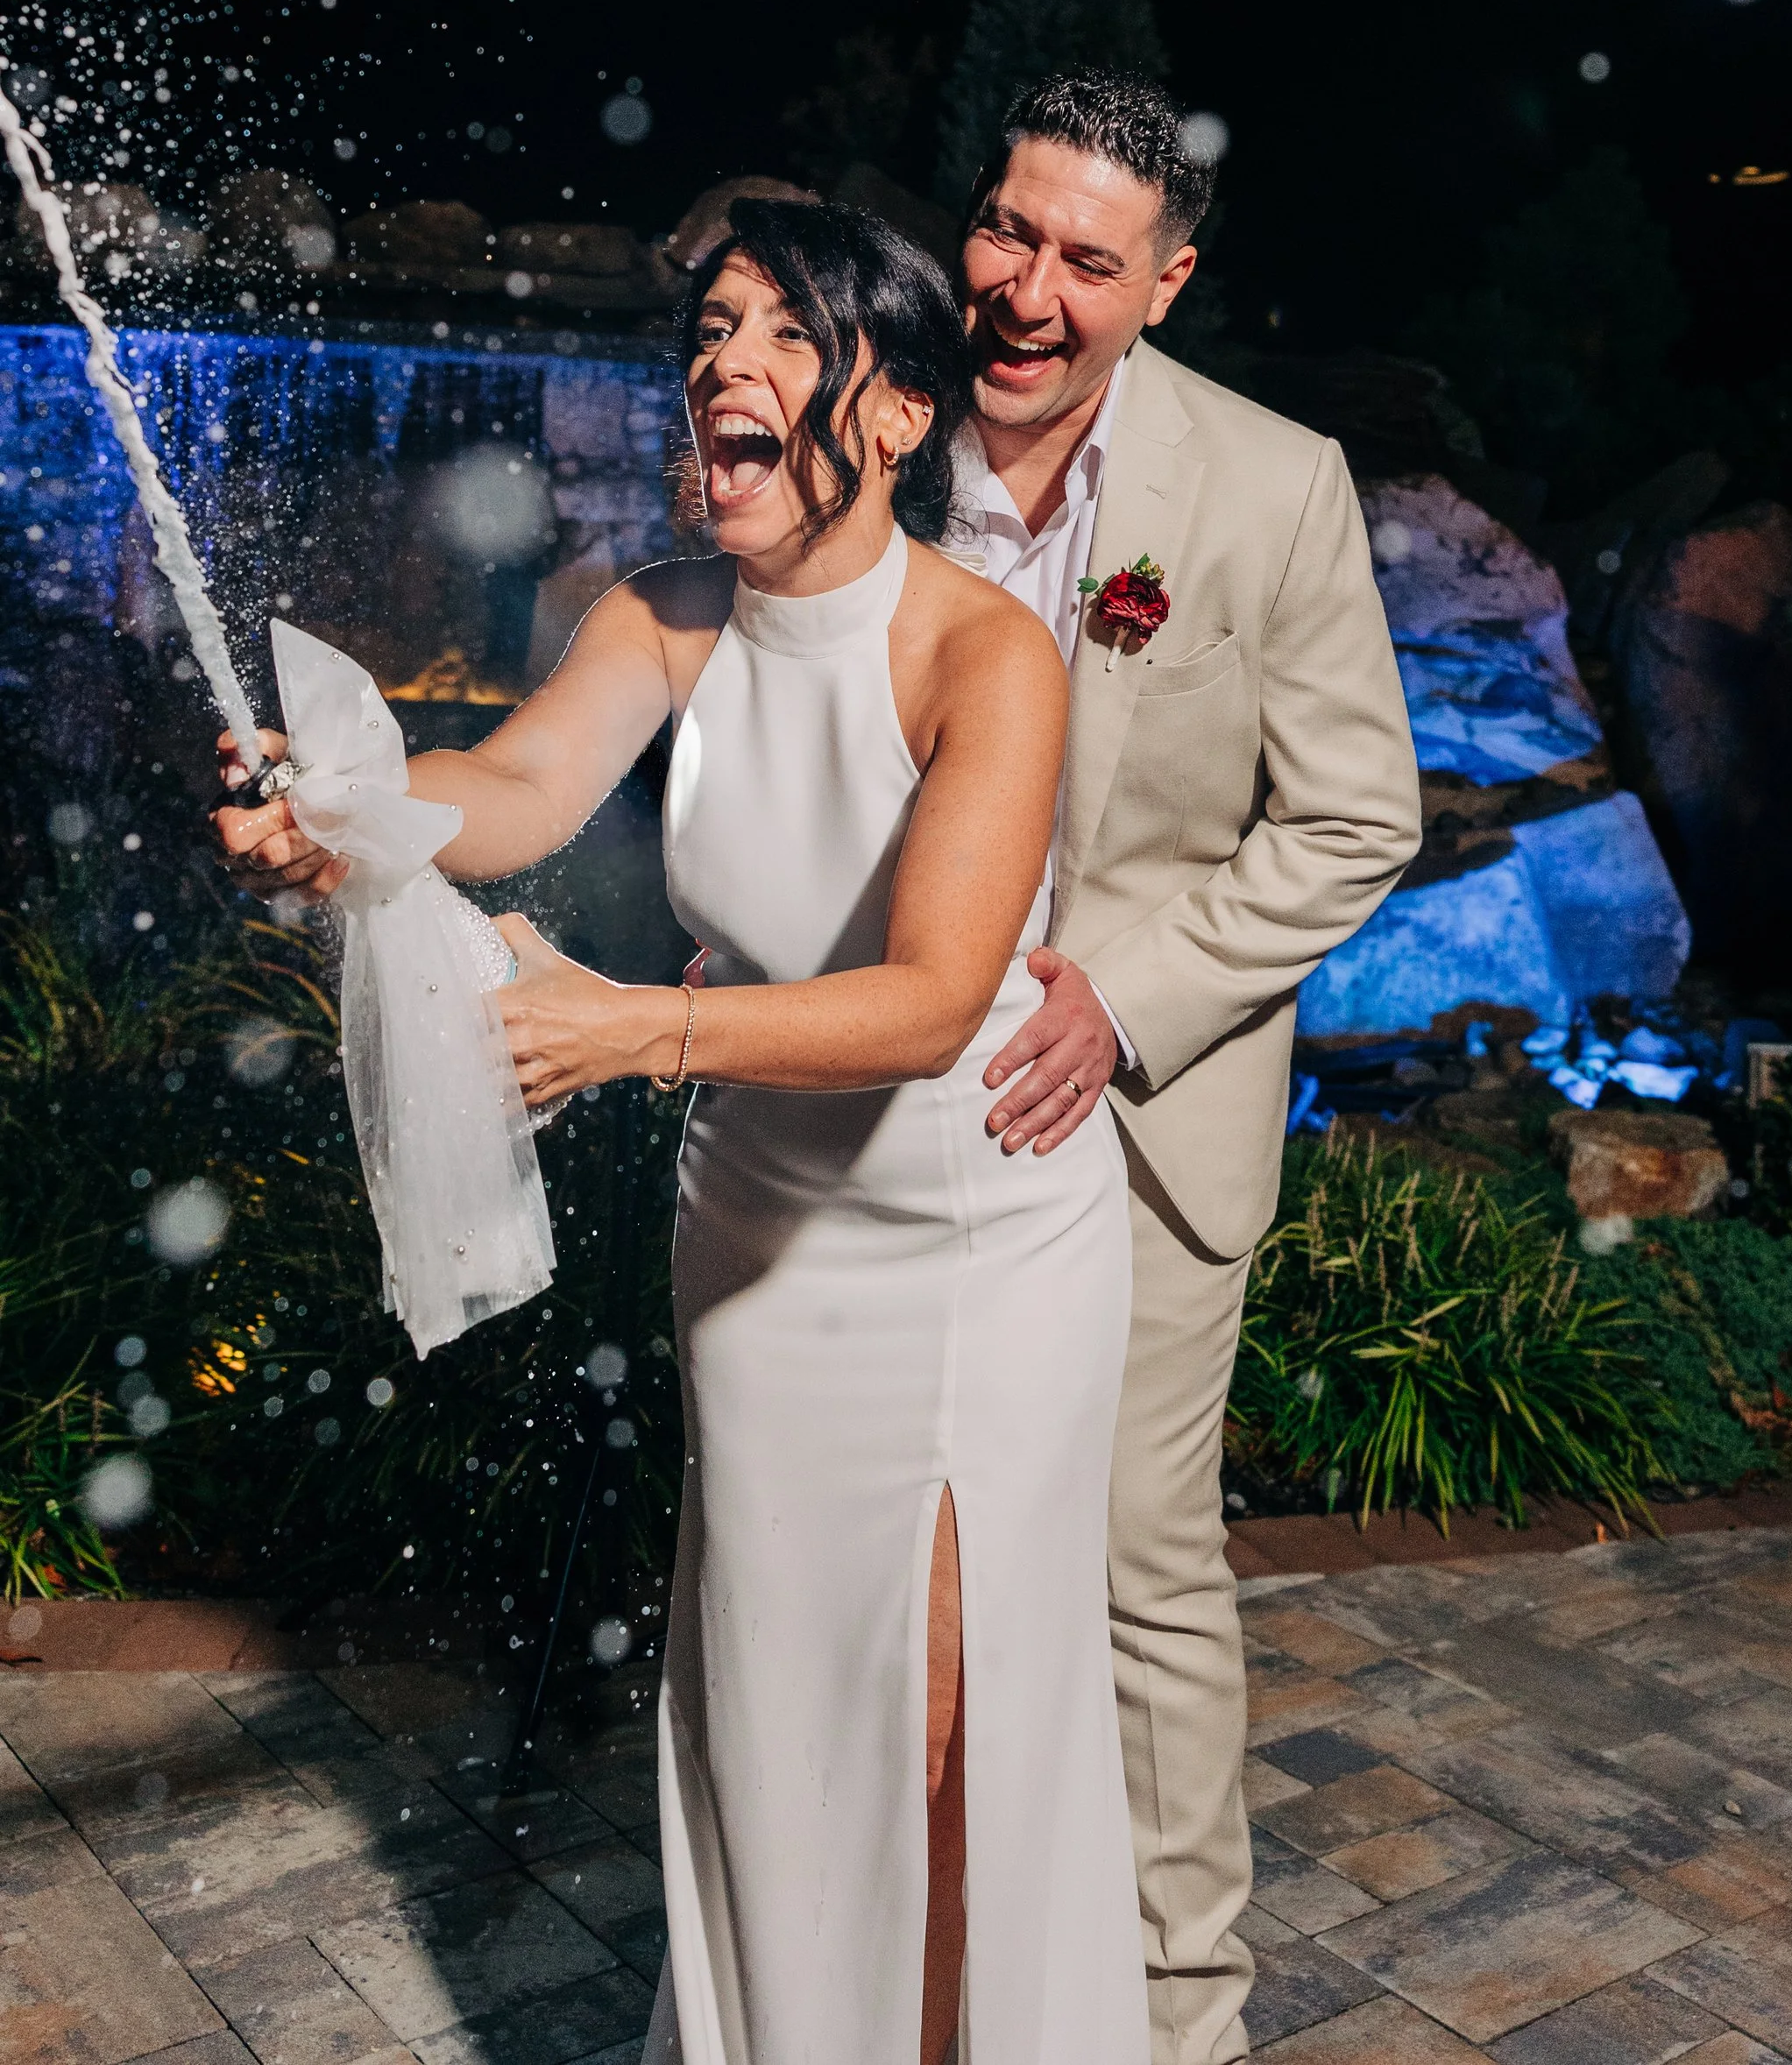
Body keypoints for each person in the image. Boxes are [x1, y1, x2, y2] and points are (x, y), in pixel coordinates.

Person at [216, 198, 1147, 2065]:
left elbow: (934, 999)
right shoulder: (663, 614)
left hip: (984, 1250)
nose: (724, 362)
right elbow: (514, 786)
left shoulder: (989, 659)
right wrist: (354, 807)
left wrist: (640, 1028)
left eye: (784, 336)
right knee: (788, 1721)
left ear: (892, 416)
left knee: (954, 1724)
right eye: (710, 329)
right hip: (759, 1251)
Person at [939, 71, 1421, 2065]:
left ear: (1165, 287)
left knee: (1135, 1574)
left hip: (1136, 1112)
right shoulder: (864, 436)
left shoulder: (1268, 482)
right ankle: (929, 1971)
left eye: (1085, 258)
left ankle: (1176, 2017)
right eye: (1009, 230)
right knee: (905, 1557)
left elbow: (1351, 819)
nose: (1030, 288)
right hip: (872, 1107)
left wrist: (1112, 997)